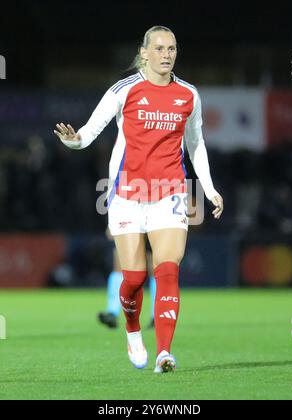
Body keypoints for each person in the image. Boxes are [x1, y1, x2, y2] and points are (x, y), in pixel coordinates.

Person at [54, 25, 223, 373]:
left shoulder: (188, 94)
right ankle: (132, 331)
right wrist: (73, 140)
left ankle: (164, 353)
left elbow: (196, 144)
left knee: (167, 270)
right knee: (133, 278)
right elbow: (88, 133)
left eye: (172, 49)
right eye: (159, 48)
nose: (166, 55)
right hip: (127, 195)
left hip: (171, 191)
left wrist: (208, 188)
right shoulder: (124, 90)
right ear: (143, 53)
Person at [98, 228, 156, 329]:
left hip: (151, 221)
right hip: (130, 221)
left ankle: (156, 315)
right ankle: (112, 312)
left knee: (154, 268)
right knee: (119, 265)